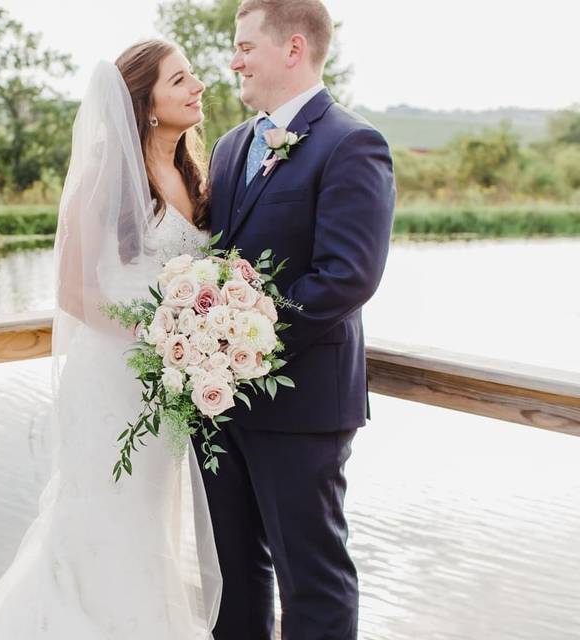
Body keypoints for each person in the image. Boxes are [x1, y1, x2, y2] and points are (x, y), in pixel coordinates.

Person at [0, 40, 223, 639]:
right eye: (180, 80)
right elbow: (73, 290)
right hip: (113, 380)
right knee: (105, 515)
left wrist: (196, 337)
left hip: (167, 381)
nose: (197, 86)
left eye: (193, 76)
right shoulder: (105, 170)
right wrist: (159, 331)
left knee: (152, 520)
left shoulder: (190, 171)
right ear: (147, 103)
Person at [198, 1, 396, 639]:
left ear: (293, 49)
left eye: (245, 46)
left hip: (304, 406)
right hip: (218, 401)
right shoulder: (230, 148)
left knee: (311, 581)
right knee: (233, 576)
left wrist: (238, 343)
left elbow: (348, 276)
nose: (234, 61)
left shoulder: (351, 143)